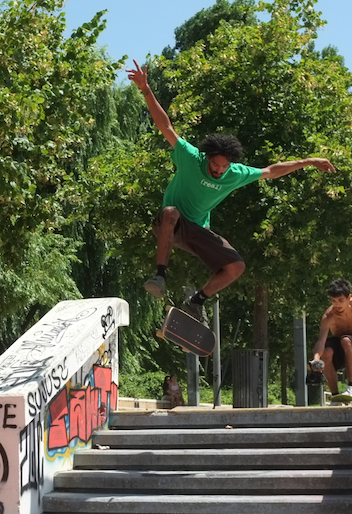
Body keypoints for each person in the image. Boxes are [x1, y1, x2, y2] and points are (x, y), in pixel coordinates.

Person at [127, 60, 337, 322]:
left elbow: (272, 170)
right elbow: (165, 126)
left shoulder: (235, 173)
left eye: (223, 168)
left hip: (197, 231)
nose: (218, 171)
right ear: (207, 159)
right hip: (171, 225)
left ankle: (197, 301)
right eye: (214, 166)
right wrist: (146, 89)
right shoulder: (191, 157)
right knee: (170, 212)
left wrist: (308, 161)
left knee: (236, 266)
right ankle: (160, 275)